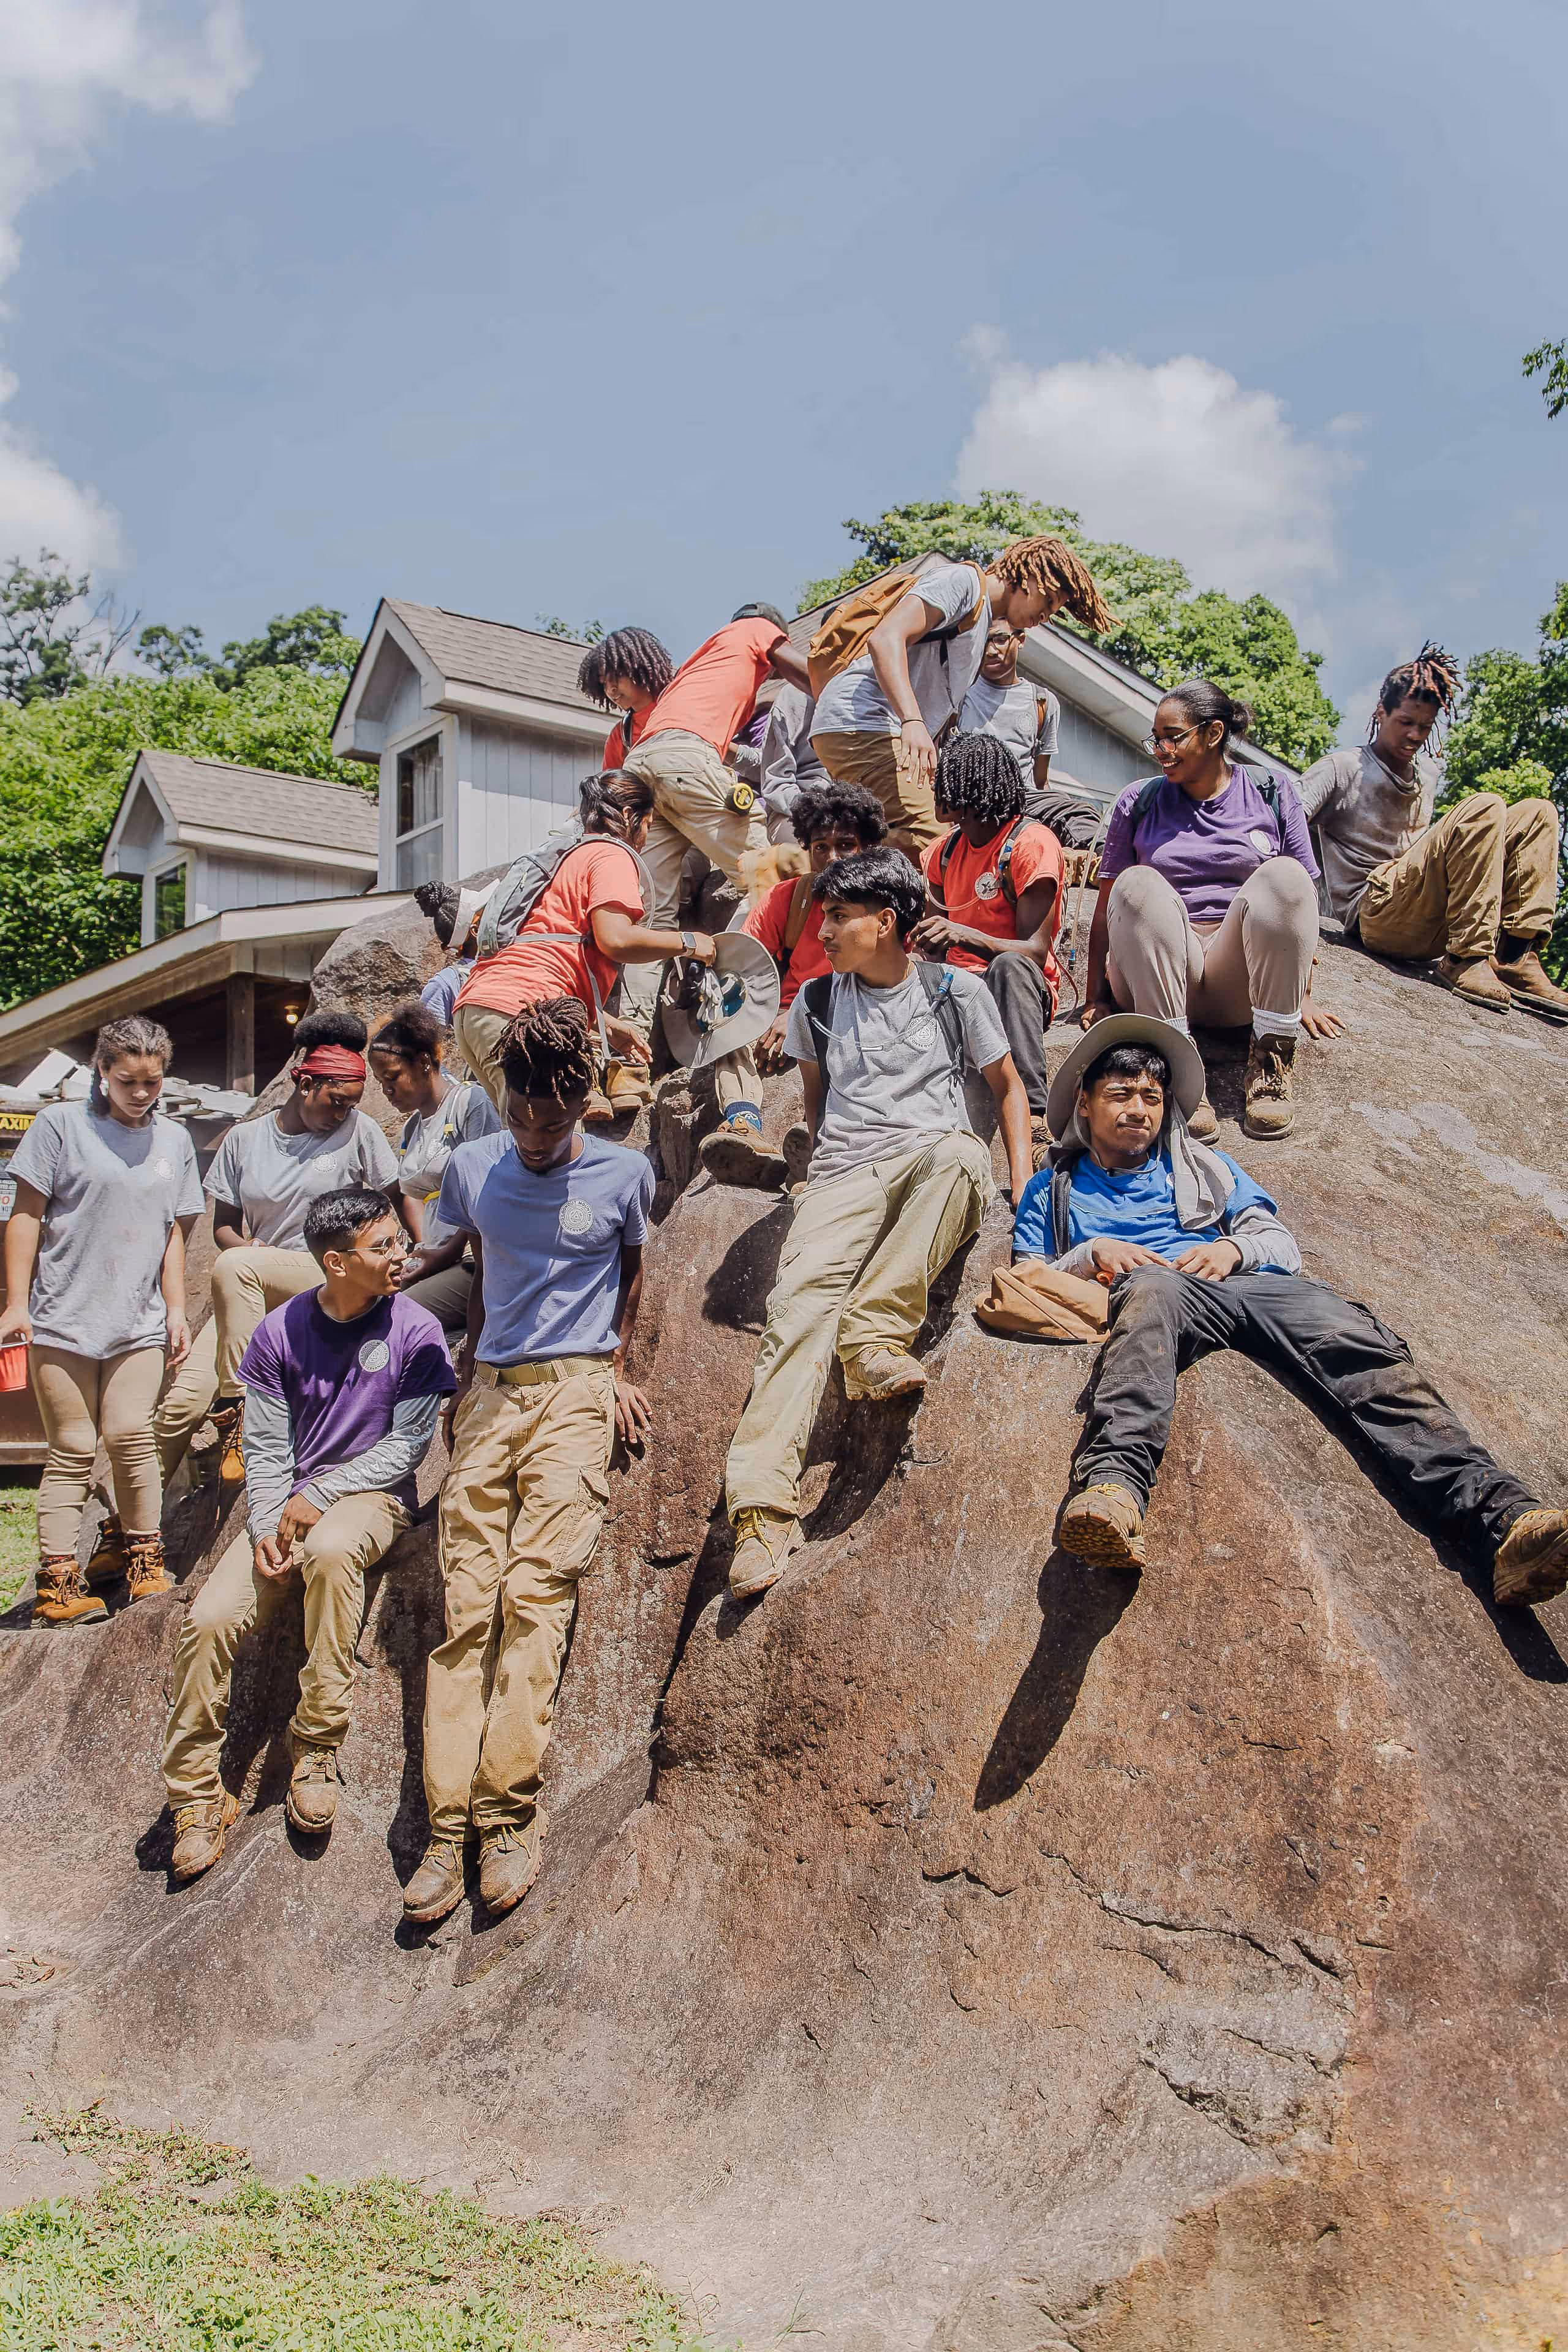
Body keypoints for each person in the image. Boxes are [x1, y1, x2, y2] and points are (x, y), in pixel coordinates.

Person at [1012, 1014, 1568, 1615]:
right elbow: (1026, 1274)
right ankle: (1114, 1491)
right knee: (1153, 1295)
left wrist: (1233, 1247)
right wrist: (1093, 1252)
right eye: (1119, 1094)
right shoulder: (1052, 1187)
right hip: (1152, 1288)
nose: (1138, 1109)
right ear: (1085, 1103)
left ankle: (1504, 1522)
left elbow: (1281, 1245)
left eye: (1151, 1096)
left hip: (1245, 1281)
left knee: (1349, 1336)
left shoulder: (1206, 1167)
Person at [722, 846, 1033, 1604]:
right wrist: (817, 1175)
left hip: (929, 1155)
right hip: (843, 1177)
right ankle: (760, 1514)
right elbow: (817, 1101)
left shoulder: (955, 989)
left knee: (966, 1155)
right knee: (794, 1315)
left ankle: (874, 1333)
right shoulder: (818, 1002)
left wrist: (1024, 1185)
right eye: (822, 917)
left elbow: (1007, 1084)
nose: (821, 932)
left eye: (837, 917)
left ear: (886, 921)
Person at [403, 997, 655, 1926]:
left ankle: (510, 1816)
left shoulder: (627, 1172)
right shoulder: (473, 1165)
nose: (536, 1137)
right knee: (466, 1606)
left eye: (554, 1121)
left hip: (577, 1394)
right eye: (520, 1117)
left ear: (585, 1102)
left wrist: (616, 1367)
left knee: (536, 1594)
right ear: (501, 1099)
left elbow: (633, 1271)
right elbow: (455, 1245)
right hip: (494, 1396)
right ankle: (445, 1829)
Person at [160, 1187, 454, 1884]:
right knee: (208, 1618)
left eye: (398, 1242)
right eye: (382, 1247)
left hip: (372, 1498)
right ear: (335, 1261)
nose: (402, 1255)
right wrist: (266, 1524)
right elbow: (264, 1446)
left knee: (327, 1550)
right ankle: (194, 1795)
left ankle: (317, 1742)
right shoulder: (277, 1331)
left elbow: (408, 1445)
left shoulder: (416, 1329)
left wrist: (317, 1496)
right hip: (287, 1502)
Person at [0, 1017, 202, 1627]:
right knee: (73, 1448)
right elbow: (26, 1217)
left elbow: (175, 1232)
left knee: (130, 1434)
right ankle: (58, 1585)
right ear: (102, 1072)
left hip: (137, 1320)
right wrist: (16, 1302)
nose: (142, 1092)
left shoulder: (175, 1140)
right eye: (129, 1080)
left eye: (152, 1081)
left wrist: (175, 1309)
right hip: (63, 1318)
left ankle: (145, 1560)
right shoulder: (61, 1126)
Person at [153, 1009, 401, 1489]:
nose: (341, 1113)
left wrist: (410, 1255)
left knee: (241, 1266)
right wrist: (249, 1249)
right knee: (182, 1402)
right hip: (258, 1280)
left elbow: (396, 1199)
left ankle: (243, 1416)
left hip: (332, 1276)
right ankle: (128, 1532)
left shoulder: (359, 1131)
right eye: (335, 1102)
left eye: (350, 1105)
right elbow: (223, 1228)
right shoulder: (245, 1140)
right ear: (304, 1083)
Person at [1079, 682, 1334, 1142]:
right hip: (1159, 979)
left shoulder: (1272, 791)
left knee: (1287, 874)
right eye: (1155, 738)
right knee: (1137, 881)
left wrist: (1300, 995)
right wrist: (1096, 994)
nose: (1161, 749)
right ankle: (1177, 1066)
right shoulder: (1138, 801)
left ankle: (1271, 1061)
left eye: (1173, 736)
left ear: (1214, 733)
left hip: (1239, 980)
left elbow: (1297, 906)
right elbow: (1107, 907)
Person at [578, 609, 810, 1050]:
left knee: (651, 917)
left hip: (644, 769)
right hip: (683, 759)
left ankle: (630, 1061)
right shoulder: (753, 628)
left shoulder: (689, 677)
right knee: (769, 872)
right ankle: (746, 977)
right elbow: (819, 683)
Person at [1300, 645, 1568, 1020]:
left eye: (1424, 727)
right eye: (1405, 722)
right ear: (1381, 712)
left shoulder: (1427, 775)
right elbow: (1285, 822)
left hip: (1424, 914)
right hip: (1375, 914)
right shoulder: (1343, 767)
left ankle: (1514, 957)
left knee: (1538, 812)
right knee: (1484, 805)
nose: (1415, 735)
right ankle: (1463, 958)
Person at [809, 538, 1115, 862]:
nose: (1046, 616)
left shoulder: (980, 623)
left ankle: (843, 872)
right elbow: (886, 638)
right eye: (1048, 600)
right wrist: (912, 722)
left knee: (938, 833)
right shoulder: (964, 583)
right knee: (935, 843)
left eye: (1054, 611)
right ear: (1030, 578)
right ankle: (805, 866)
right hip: (865, 723)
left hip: (868, 729)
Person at [450, 769, 717, 1123]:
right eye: (648, 823)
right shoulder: (611, 855)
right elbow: (616, 939)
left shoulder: (567, 858)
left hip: (479, 1009)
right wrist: (687, 942)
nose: (647, 836)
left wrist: (609, 1027)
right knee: (549, 1148)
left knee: (527, 1144)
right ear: (627, 817)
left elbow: (551, 954)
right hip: (521, 1015)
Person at [699, 778, 888, 1188]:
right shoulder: (788, 898)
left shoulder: (885, 905)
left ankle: (816, 1142)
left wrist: (799, 1012)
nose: (832, 857)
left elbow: (886, 983)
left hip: (843, 1021)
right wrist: (766, 1013)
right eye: (820, 846)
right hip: (778, 1027)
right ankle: (744, 1125)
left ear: (867, 847)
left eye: (846, 845)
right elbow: (742, 966)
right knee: (725, 1011)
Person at [913, 732, 1065, 1143]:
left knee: (1009, 965)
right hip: (957, 988)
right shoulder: (941, 853)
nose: (936, 789)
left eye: (947, 779)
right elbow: (933, 947)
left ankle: (1034, 1117)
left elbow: (1033, 952)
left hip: (1014, 990)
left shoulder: (1030, 844)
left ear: (972, 784)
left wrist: (963, 935)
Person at [367, 1003, 500, 1333]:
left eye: (393, 1077)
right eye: (381, 1081)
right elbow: (413, 1196)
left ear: (424, 1062)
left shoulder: (471, 1104)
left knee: (394, 1320)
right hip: (435, 1258)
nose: (386, 1090)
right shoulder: (413, 1127)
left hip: (474, 1259)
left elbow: (486, 1193)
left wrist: (444, 1253)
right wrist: (421, 1249)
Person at [958, 620, 1060, 796]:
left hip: (1020, 811)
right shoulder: (959, 693)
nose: (990, 651)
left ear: (1020, 640)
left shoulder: (1043, 702)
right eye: (983, 640)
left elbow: (1041, 782)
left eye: (1000, 639)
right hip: (965, 810)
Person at [413, 880, 491, 1027]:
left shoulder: (509, 961)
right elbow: (424, 1042)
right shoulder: (447, 983)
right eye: (487, 914)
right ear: (476, 931)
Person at [758, 680, 825, 843]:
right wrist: (815, 811)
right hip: (798, 809)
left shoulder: (873, 688)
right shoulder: (795, 697)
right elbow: (777, 781)